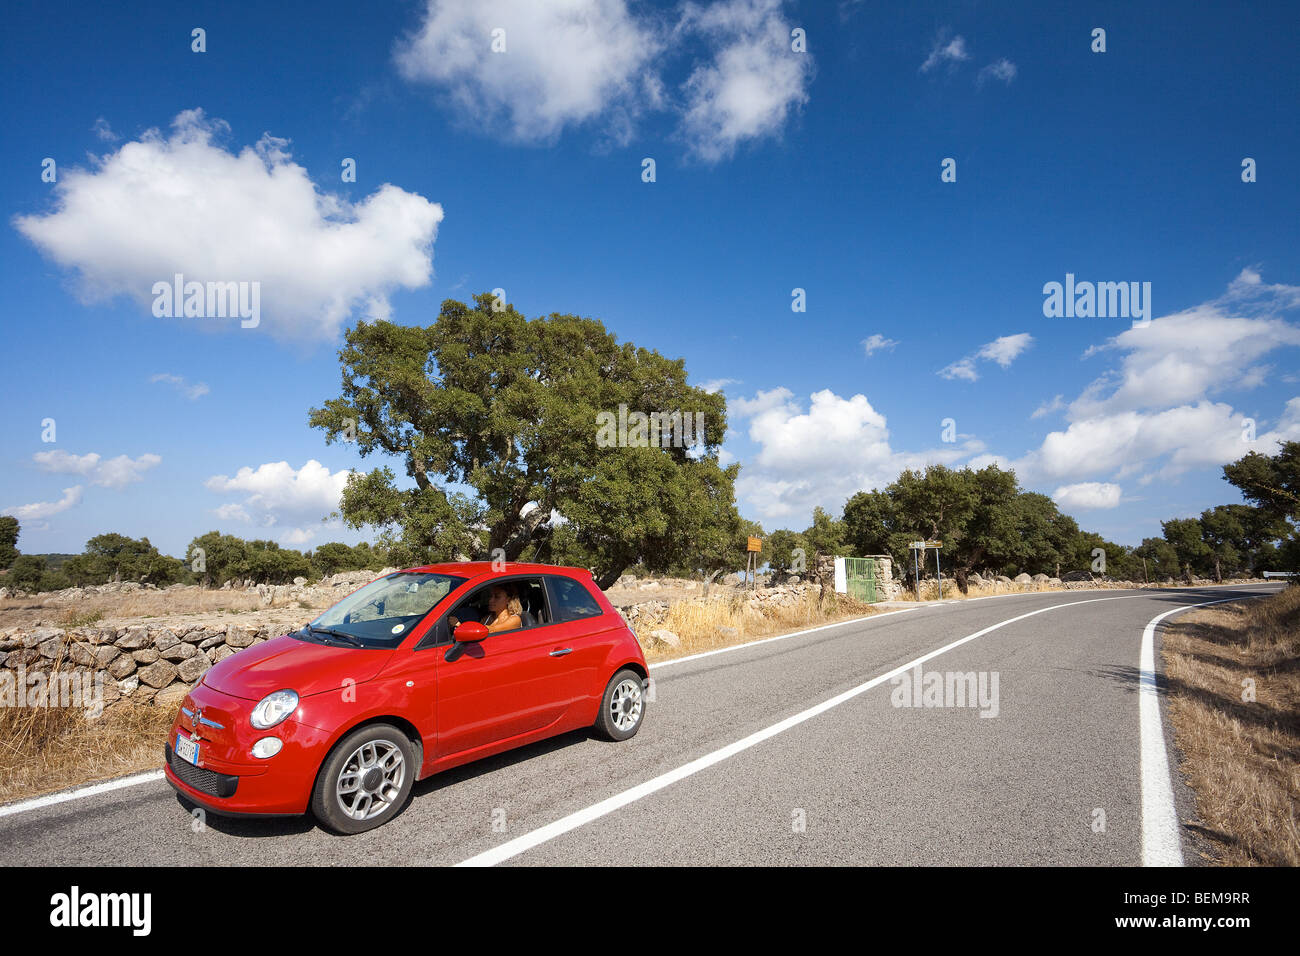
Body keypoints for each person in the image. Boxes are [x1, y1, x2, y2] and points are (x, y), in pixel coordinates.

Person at [449, 584, 522, 634]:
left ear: (508, 600)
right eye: (491, 596)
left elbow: (490, 630)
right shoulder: (487, 618)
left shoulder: (515, 620)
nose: (490, 600)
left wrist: (460, 626)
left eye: (497, 597)